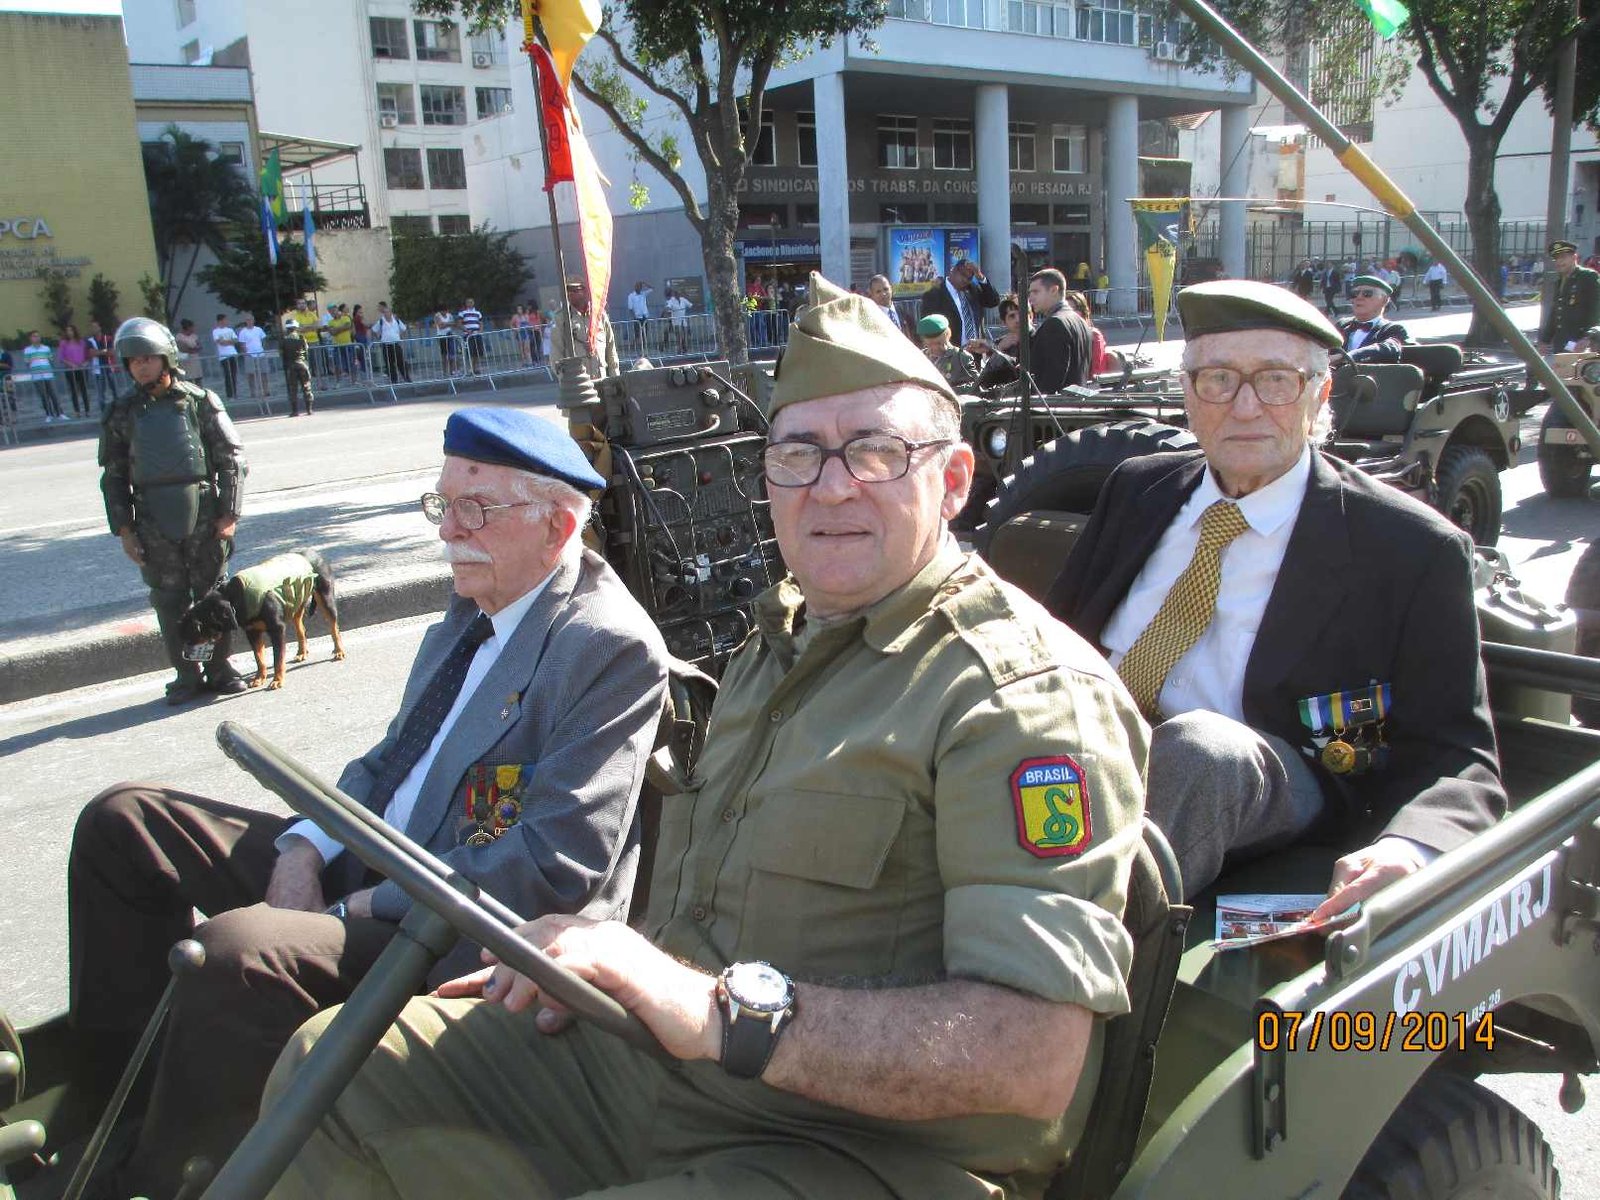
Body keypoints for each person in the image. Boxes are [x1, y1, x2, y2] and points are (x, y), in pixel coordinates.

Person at [264, 270, 1147, 1200]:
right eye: (797, 455)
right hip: (672, 1067)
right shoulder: (782, 643)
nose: (831, 488)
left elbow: (1031, 1060)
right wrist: (599, 956)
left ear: (955, 478)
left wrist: (719, 1009)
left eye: (877, 452)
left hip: (865, 1147)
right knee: (331, 1076)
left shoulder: (1021, 697)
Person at [70, 406, 671, 1198]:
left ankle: (170, 1180)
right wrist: (302, 851)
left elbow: (551, 866)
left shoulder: (606, 647)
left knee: (234, 951)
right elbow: (386, 762)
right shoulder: (475, 609)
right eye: (442, 504)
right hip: (367, 865)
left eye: (475, 509)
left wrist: (351, 911)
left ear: (557, 528)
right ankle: (107, 1124)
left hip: (439, 926)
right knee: (125, 820)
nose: (448, 530)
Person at [1045, 280, 1505, 914]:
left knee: (1207, 750)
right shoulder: (1138, 490)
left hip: (1271, 783)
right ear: (1186, 393)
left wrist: (1410, 847)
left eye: (1276, 381)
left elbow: (1459, 752)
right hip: (1090, 763)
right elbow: (1054, 642)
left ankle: (1059, 953)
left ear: (1320, 394)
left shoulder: (1410, 547)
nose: (1245, 407)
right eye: (1219, 380)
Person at [99, 317, 247, 704]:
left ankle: (219, 668)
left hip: (203, 516)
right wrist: (125, 531)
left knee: (212, 596)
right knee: (170, 602)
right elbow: (113, 476)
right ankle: (187, 674)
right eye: (133, 361)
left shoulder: (199, 402)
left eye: (148, 358)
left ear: (166, 358)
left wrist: (229, 514)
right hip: (152, 520)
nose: (141, 366)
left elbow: (231, 460)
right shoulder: (121, 413)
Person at [918, 258, 1000, 348]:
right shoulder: (934, 294)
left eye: (969, 278)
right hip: (950, 353)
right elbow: (929, 327)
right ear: (953, 270)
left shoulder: (972, 289)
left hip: (975, 351)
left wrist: (980, 276)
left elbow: (993, 301)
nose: (965, 280)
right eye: (963, 275)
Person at [1538, 240, 1600, 355]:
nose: (1559, 262)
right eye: (1556, 258)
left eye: (1563, 257)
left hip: (1583, 344)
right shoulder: (1559, 281)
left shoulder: (1587, 277)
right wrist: (1545, 340)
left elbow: (1596, 309)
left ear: (1574, 257)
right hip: (1563, 344)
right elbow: (1555, 313)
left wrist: (1588, 337)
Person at [1336, 274, 1410, 363]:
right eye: (1354, 294)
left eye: (1367, 294)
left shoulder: (1394, 329)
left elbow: (1390, 347)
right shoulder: (1341, 325)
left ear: (1384, 300)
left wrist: (1347, 357)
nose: (1359, 297)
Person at [555, 279, 620, 378]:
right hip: (577, 383)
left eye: (575, 290)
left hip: (601, 378)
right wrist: (565, 380)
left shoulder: (600, 315)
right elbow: (556, 353)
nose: (570, 294)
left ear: (587, 292)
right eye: (568, 291)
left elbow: (611, 348)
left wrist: (615, 376)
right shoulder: (562, 319)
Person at [916, 313, 979, 390]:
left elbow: (977, 385)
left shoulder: (961, 357)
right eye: (930, 344)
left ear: (947, 335)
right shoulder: (919, 357)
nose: (935, 347)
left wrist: (949, 392)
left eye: (939, 343)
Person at [22, 329, 64, 421]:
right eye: (34, 336)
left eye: (38, 336)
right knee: (44, 396)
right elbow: (27, 362)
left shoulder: (46, 348)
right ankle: (49, 414)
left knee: (54, 395)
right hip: (37, 376)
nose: (37, 338)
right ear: (30, 338)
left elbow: (51, 360)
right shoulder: (27, 350)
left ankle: (60, 413)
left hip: (48, 375)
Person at [279, 318, 315, 416]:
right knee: (307, 387)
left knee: (293, 389)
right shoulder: (301, 338)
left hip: (291, 366)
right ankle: (309, 410)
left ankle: (295, 411)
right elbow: (306, 353)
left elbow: (282, 355)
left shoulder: (284, 340)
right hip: (302, 364)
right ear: (296, 327)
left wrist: (285, 365)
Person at [58, 323, 91, 417]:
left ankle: (87, 410)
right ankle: (77, 411)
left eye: (71, 330)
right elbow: (61, 357)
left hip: (82, 368)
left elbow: (87, 355)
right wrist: (71, 364)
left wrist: (85, 363)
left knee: (84, 389)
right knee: (74, 390)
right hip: (70, 370)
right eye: (68, 330)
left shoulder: (81, 342)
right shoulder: (63, 343)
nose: (69, 332)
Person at [867, 273, 913, 340]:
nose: (883, 294)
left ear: (891, 289)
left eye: (886, 289)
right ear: (871, 294)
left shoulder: (904, 311)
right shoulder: (871, 317)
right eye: (878, 291)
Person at [374, 301, 411, 383]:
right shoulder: (381, 321)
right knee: (389, 364)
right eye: (385, 312)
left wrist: (400, 337)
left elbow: (404, 329)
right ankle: (394, 380)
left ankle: (407, 378)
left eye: (388, 312)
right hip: (386, 345)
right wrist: (379, 337)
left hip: (395, 344)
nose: (386, 314)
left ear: (391, 313)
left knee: (400, 362)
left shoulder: (396, 321)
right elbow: (374, 330)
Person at [237, 313, 269, 398]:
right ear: (245, 321)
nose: (249, 321)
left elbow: (263, 340)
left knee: (263, 373)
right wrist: (247, 353)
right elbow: (242, 344)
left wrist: (262, 349)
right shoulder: (243, 332)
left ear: (253, 320)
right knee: (250, 374)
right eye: (247, 320)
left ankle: (266, 390)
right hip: (249, 355)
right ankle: (253, 392)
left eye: (251, 319)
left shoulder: (258, 330)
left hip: (260, 354)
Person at [211, 313, 240, 399]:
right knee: (228, 375)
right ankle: (229, 394)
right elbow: (219, 342)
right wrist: (228, 342)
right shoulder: (215, 331)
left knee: (234, 374)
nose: (226, 321)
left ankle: (235, 393)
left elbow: (235, 340)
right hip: (223, 356)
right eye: (224, 320)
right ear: (220, 321)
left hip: (232, 354)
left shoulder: (230, 330)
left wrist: (226, 342)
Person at [328, 303, 354, 384]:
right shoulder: (330, 322)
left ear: (337, 310)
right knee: (338, 365)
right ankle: (338, 382)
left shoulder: (346, 317)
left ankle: (353, 381)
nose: (333, 312)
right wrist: (342, 328)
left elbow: (348, 326)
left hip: (347, 344)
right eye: (331, 311)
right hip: (337, 345)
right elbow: (332, 332)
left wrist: (336, 329)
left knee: (351, 363)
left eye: (334, 310)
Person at [458, 297, 486, 374]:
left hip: (476, 334)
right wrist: (467, 330)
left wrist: (480, 331)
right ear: (466, 304)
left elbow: (481, 323)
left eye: (471, 302)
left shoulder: (478, 313)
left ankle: (475, 367)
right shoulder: (463, 313)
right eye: (468, 302)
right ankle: (470, 368)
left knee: (477, 352)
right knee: (470, 352)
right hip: (468, 335)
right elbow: (459, 324)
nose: (470, 304)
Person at [173, 318, 203, 387]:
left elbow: (200, 346)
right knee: (189, 381)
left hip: (195, 361)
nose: (194, 328)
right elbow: (183, 348)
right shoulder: (179, 337)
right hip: (186, 362)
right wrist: (192, 349)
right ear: (188, 327)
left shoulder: (194, 336)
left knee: (198, 379)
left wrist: (192, 349)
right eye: (192, 327)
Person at [663, 286, 692, 354]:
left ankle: (684, 348)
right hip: (676, 322)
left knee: (685, 336)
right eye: (676, 293)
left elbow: (690, 305)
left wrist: (687, 296)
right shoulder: (671, 300)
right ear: (674, 294)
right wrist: (667, 310)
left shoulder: (683, 299)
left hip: (683, 321)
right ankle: (679, 350)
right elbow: (668, 307)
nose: (677, 295)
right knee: (678, 336)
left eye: (678, 293)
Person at [352, 303, 371, 378]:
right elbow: (365, 324)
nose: (362, 311)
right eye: (360, 310)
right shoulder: (358, 317)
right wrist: (369, 324)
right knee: (363, 352)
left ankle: (362, 367)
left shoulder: (356, 317)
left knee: (362, 352)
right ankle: (364, 369)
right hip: (361, 335)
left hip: (360, 335)